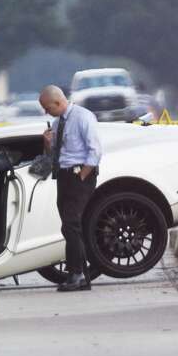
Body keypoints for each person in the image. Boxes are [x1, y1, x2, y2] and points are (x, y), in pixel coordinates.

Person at [39, 85, 103, 292]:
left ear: (58, 102)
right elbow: (53, 156)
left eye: (47, 108)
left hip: (78, 175)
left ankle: (77, 274)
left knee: (70, 225)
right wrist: (47, 144)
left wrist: (83, 174)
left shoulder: (83, 117)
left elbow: (95, 149)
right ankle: (79, 274)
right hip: (64, 176)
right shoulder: (57, 123)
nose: (46, 112)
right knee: (70, 226)